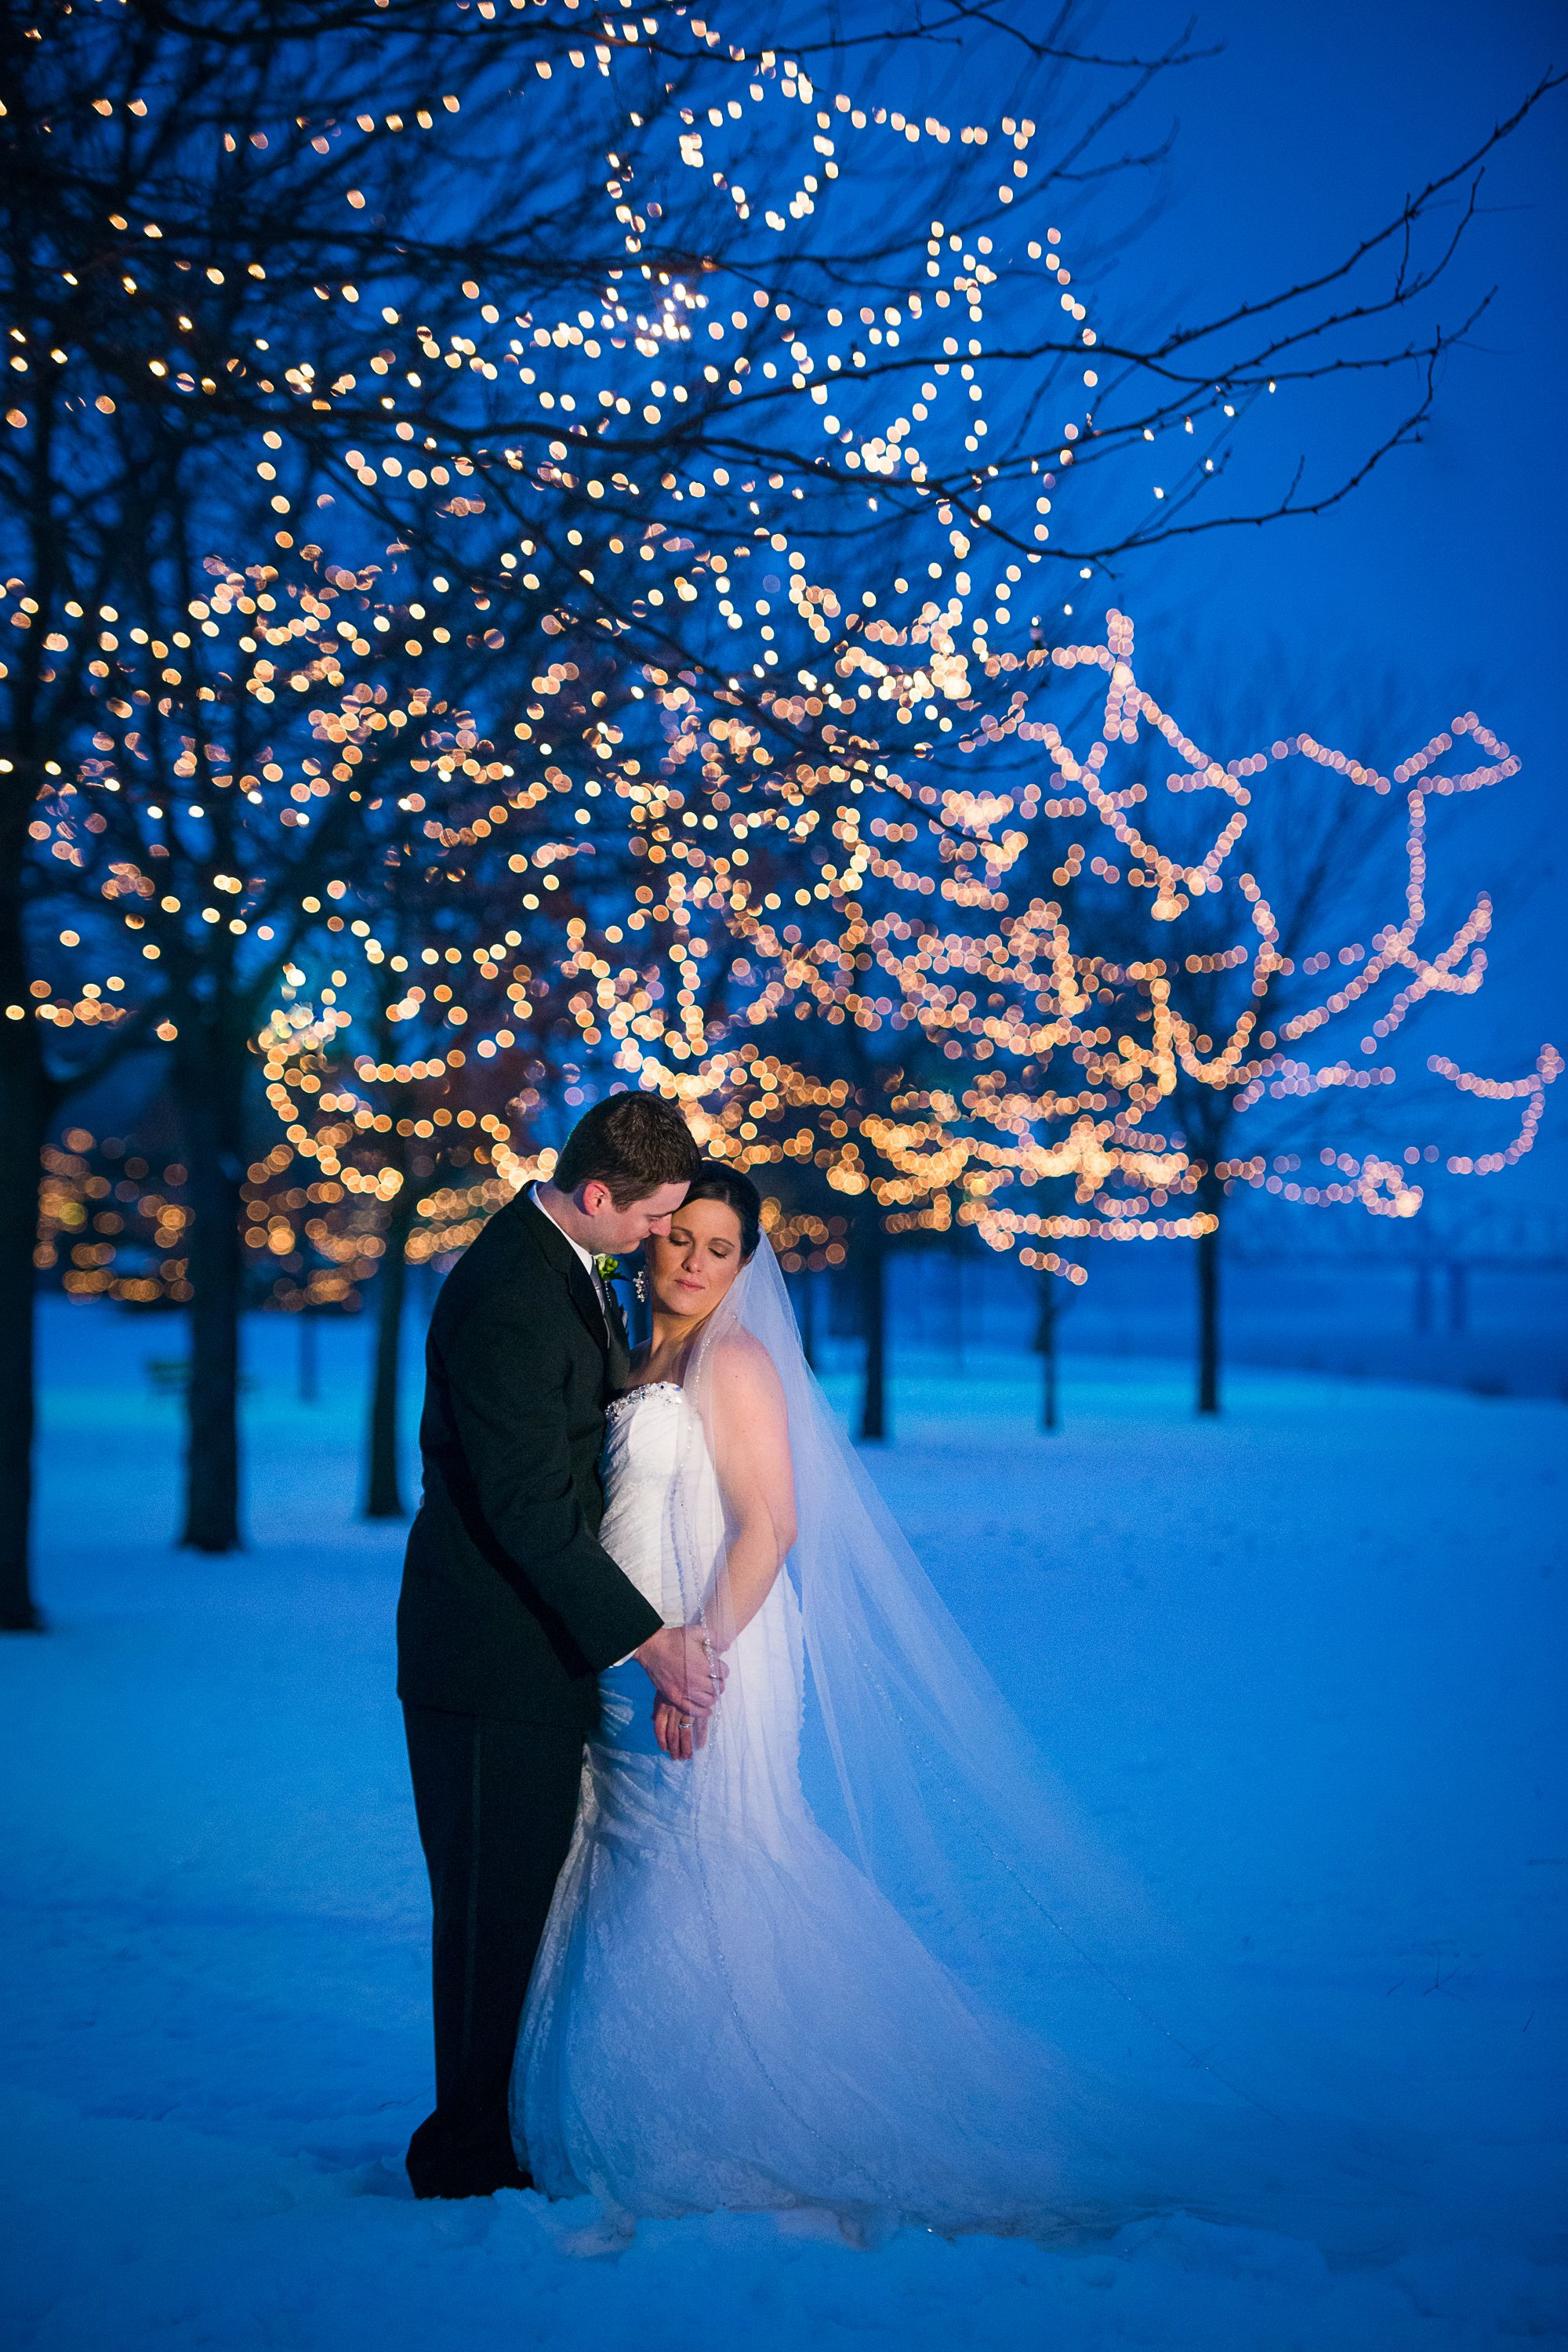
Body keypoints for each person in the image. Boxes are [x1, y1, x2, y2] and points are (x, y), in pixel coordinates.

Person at [512, 1163, 1113, 2234]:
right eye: (679, 1238)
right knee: (627, 1871)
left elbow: (771, 1527)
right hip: (627, 1658)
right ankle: (640, 2099)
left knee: (701, 1872)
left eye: (718, 1250)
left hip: (704, 1654)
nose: (692, 1264)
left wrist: (696, 1661)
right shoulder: (635, 1350)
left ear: (745, 1267)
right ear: (647, 1238)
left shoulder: (733, 1362)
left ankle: (711, 2117)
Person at [397, 1091, 714, 2201]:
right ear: (595, 1195)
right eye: (651, 1219)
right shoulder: (509, 1299)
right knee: (490, 1912)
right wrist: (650, 1640)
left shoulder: (561, 1265)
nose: (656, 1240)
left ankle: (497, 2129)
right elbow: (530, 1508)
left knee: (520, 1903)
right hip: (486, 1660)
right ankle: (463, 2158)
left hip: (535, 1656)